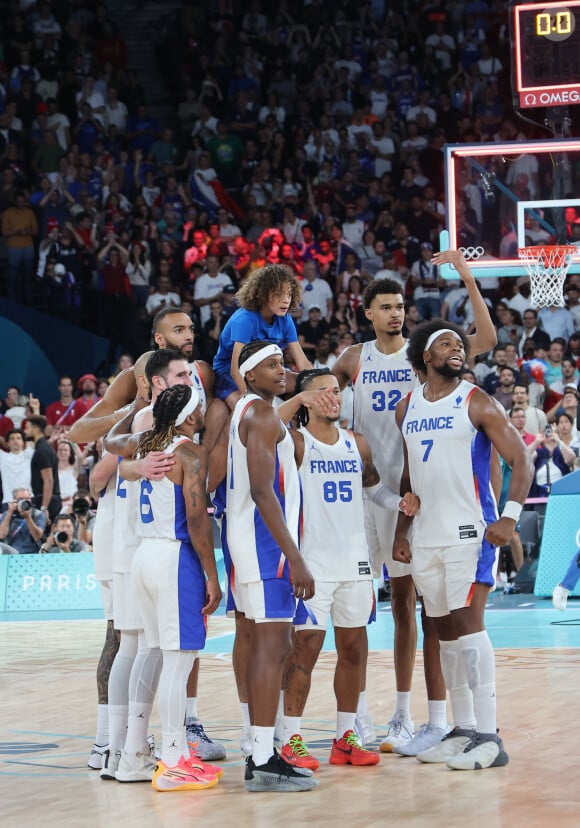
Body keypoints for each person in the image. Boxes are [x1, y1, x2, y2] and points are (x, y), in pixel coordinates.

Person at [332, 249, 498, 755]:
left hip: (412, 501)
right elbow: (314, 394)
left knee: (415, 610)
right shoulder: (352, 359)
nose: (396, 313)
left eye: (400, 306)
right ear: (367, 313)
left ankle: (408, 715)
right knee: (354, 610)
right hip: (365, 497)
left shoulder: (424, 354)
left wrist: (467, 278)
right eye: (385, 307)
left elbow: (485, 341)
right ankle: (356, 717)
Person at [393, 321, 533, 770]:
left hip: (470, 532)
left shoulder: (476, 400)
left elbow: (520, 458)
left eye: (459, 343)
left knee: (470, 627)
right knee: (444, 633)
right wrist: (400, 530)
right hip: (425, 535)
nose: (457, 348)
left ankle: (491, 737)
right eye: (446, 343)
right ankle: (464, 728)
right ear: (425, 357)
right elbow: (410, 474)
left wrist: (508, 517)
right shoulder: (406, 408)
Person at [279, 369, 419, 770]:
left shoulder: (356, 443)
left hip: (355, 562)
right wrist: (296, 402)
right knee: (304, 649)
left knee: (354, 649)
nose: (333, 396)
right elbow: (268, 427)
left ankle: (345, 737)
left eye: (337, 390)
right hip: (313, 563)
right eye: (322, 391)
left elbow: (373, 488)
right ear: (305, 400)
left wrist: (399, 504)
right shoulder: (295, 442)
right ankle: (290, 738)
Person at [105, 384, 223, 792]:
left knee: (154, 652)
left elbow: (111, 445)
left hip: (143, 557)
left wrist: (131, 461)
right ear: (190, 416)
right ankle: (173, 759)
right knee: (178, 660)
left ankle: (133, 754)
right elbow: (196, 520)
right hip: (174, 559)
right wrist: (212, 573)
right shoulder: (190, 452)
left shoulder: (145, 445)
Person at [226, 341, 318, 792]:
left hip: (249, 545)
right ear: (248, 373)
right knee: (272, 648)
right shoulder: (261, 415)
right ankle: (263, 757)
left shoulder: (248, 412)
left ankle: (260, 749)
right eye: (271, 365)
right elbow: (264, 492)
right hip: (266, 550)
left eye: (283, 362)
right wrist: (295, 557)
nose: (282, 370)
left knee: (263, 645)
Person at [213, 264, 313, 408]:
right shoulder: (245, 319)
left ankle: (295, 425)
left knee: (306, 383)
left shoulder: (286, 319)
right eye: (279, 294)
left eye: (289, 294)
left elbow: (302, 362)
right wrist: (251, 399)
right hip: (229, 373)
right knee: (252, 411)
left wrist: (319, 384)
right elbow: (235, 370)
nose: (286, 300)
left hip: (264, 369)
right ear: (263, 294)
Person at [24, 414, 62, 522]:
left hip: (47, 501)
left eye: (27, 428)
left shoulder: (42, 451)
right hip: (47, 499)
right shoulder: (43, 448)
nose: (25, 431)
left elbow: (48, 480)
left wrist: (44, 508)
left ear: (36, 430)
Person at [0, 486, 46, 554]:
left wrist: (28, 517)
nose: (24, 501)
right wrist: (9, 513)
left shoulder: (38, 514)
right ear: (14, 500)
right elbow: (1, 535)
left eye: (27, 498)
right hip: (11, 554)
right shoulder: (7, 514)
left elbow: (37, 537)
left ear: (31, 500)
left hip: (32, 554)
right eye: (21, 499)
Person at [0, 429, 33, 506]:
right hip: (9, 501)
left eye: (18, 438)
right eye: (12, 438)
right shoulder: (2, 457)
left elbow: (42, 445)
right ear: (7, 443)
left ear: (23, 442)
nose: (15, 441)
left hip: (28, 500)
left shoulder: (30, 454)